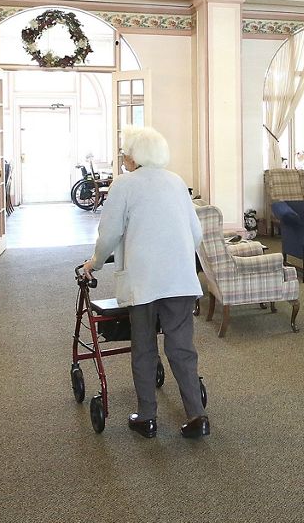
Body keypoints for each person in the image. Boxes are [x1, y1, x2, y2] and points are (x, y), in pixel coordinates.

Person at [83, 126, 208, 439]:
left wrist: (94, 263)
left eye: (125, 151)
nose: (123, 157)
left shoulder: (124, 185)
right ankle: (197, 416)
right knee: (181, 348)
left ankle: (147, 417)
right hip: (180, 279)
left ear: (135, 155)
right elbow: (196, 234)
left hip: (144, 281)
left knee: (144, 347)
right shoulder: (177, 181)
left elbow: (109, 234)